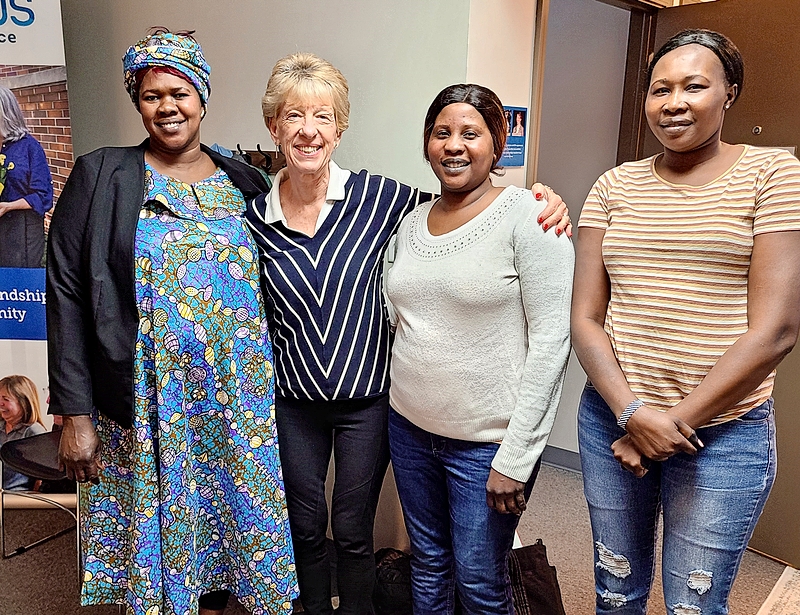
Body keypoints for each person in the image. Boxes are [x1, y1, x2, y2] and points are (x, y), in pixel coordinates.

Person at [245, 53, 571, 615]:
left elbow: (547, 332)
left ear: (340, 128)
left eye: (322, 116)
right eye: (292, 116)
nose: (307, 130)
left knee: (441, 564)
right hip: (338, 408)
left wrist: (544, 197)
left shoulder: (385, 200)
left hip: (391, 408)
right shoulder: (255, 214)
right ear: (273, 126)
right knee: (362, 546)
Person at [46, 29, 297, 615]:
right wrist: (75, 413)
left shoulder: (247, 182)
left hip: (238, 403)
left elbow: (323, 219)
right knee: (161, 547)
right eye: (153, 94)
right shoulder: (101, 175)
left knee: (229, 540)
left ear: (202, 99)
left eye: (180, 92)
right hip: (149, 401)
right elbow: (67, 292)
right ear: (138, 103)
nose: (168, 107)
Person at [572, 29, 800, 615]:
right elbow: (587, 318)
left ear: (729, 93)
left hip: (722, 434)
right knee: (614, 591)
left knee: (692, 605)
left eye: (694, 86)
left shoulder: (774, 175)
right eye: (659, 90)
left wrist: (665, 429)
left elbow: (775, 329)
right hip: (611, 423)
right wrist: (630, 415)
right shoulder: (613, 185)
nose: (673, 103)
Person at [385, 84, 573, 614]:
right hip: (410, 429)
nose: (454, 145)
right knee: (428, 564)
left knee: (479, 580)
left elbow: (552, 343)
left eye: (471, 133)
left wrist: (518, 457)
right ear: (426, 143)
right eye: (442, 133)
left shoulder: (532, 218)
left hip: (486, 446)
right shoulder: (409, 223)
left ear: (497, 142)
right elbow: (402, 317)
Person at [0, 85, 54, 268]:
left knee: (16, 287)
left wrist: (8, 206)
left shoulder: (29, 147)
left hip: (22, 233)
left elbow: (43, 196)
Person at [0, 375, 46, 491]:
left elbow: (43, 476)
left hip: (19, 498)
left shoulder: (34, 432)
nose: (0, 403)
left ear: (23, 402)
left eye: (6, 399)